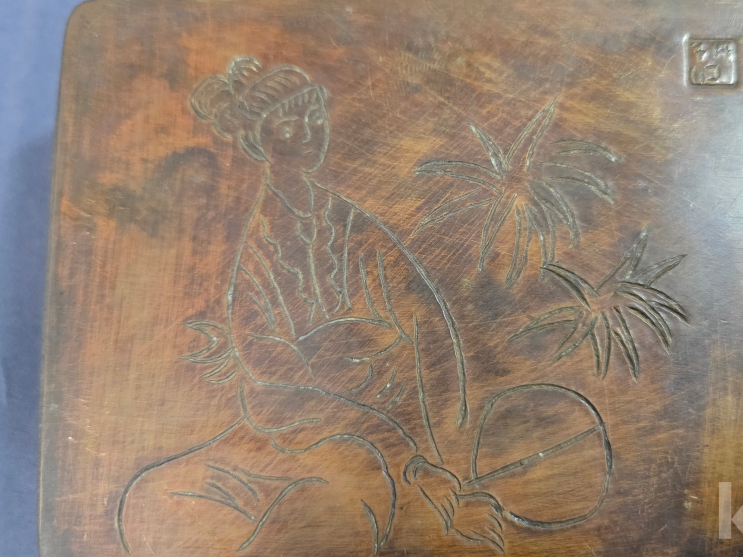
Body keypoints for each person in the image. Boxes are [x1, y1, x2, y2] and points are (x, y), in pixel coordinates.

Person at [115, 57, 499, 556]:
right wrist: (412, 458)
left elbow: (430, 325)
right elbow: (273, 376)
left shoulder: (352, 226)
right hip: (289, 434)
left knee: (339, 504)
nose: (309, 134)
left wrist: (442, 459)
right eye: (288, 127)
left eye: (315, 118)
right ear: (259, 142)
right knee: (151, 503)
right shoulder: (258, 248)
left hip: (369, 446)